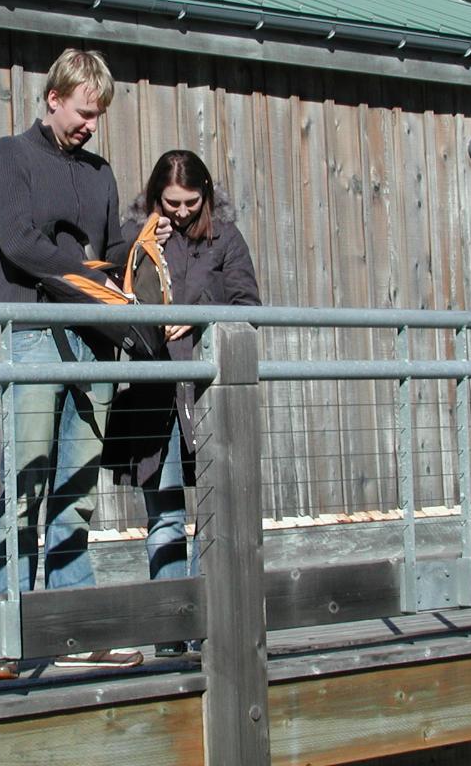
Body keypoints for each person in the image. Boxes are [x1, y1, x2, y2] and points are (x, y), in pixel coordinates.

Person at [0, 48, 143, 678]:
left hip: (96, 342)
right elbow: (19, 246)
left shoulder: (101, 174)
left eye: (98, 116)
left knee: (75, 495)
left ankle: (79, 631)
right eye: (83, 112)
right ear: (54, 98)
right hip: (35, 332)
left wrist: (137, 277)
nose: (90, 125)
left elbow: (117, 252)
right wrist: (88, 278)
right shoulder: (10, 156)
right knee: (25, 487)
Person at [116, 150, 260, 656]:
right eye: (169, 201)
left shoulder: (225, 238)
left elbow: (248, 307)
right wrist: (134, 250)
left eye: (189, 202)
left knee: (213, 515)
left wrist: (196, 317)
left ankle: (207, 624)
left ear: (206, 195)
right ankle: (169, 630)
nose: (178, 211)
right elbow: (113, 297)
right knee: (165, 517)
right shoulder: (136, 234)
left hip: (205, 394)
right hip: (151, 392)